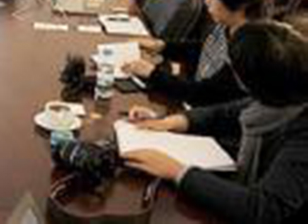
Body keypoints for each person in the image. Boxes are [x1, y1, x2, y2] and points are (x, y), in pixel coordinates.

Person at [123, 21, 308, 223]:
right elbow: (226, 113)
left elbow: (266, 207)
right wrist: (173, 121)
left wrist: (178, 171)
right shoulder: (282, 93)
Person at [123, 0, 272, 107]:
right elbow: (206, 50)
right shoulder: (230, 24)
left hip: (207, 114)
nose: (207, 1)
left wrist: (152, 74)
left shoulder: (251, 51)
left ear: (240, 3)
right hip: (197, 107)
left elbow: (205, 94)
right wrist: (162, 46)